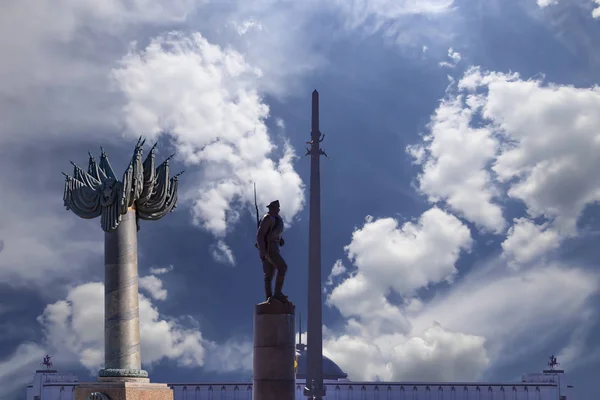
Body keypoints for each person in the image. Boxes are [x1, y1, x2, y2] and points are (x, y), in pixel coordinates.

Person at [256, 200, 288, 302]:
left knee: (270, 274)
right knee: (282, 267)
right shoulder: (268, 218)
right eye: (274, 208)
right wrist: (262, 250)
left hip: (274, 246)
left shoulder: (276, 219)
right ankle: (276, 294)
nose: (275, 210)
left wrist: (280, 239)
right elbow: (260, 235)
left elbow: (276, 232)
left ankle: (270, 299)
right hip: (268, 248)